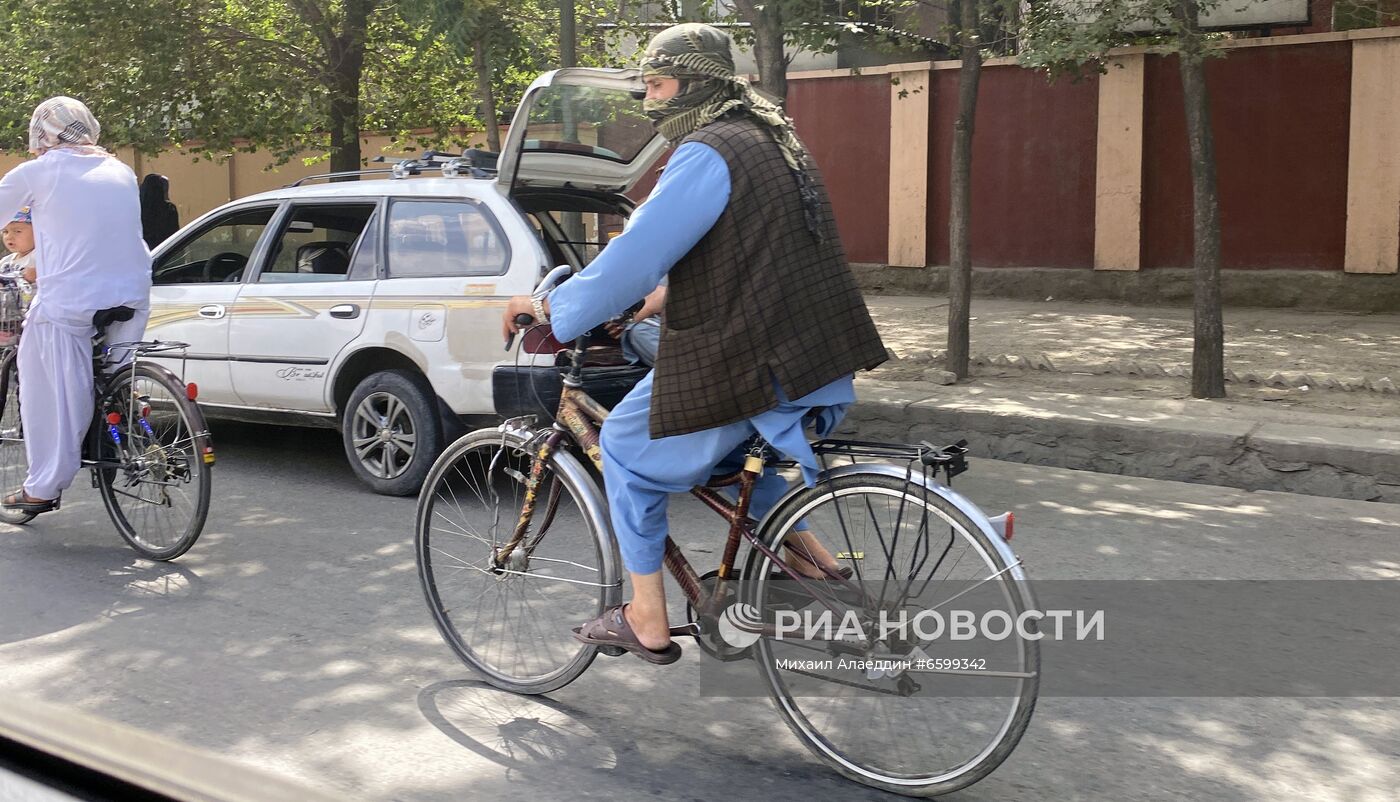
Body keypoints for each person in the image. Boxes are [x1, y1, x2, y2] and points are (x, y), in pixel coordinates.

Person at [502, 23, 887, 664]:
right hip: (818, 357)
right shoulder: (771, 138)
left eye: (657, 84)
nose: (651, 101)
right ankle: (817, 565)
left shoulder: (708, 151)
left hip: (757, 361)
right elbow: (754, 252)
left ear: (694, 82)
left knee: (625, 441)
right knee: (730, 458)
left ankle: (646, 616)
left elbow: (636, 255)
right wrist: (663, 297)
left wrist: (549, 307)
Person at [0, 96, 152, 515]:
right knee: (116, 371)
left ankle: (43, 486)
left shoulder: (39, 171)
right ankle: (124, 415)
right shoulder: (120, 170)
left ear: (40, 134)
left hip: (71, 301)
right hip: (133, 293)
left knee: (43, 383)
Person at [139, 173, 179, 250]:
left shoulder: (138, 210)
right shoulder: (169, 209)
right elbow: (174, 236)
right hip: (165, 253)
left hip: (144, 252)